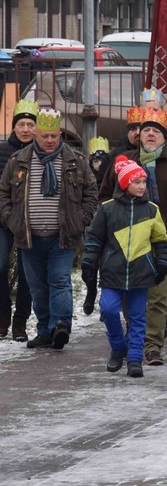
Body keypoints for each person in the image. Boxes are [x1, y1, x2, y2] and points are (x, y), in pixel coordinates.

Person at [97, 107, 167, 366]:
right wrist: (115, 225)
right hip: (127, 240)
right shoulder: (123, 162)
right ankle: (135, 338)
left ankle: (152, 346)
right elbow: (105, 195)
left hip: (163, 240)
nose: (151, 134)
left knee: (157, 296)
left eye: (156, 131)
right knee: (130, 294)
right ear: (139, 135)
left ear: (165, 137)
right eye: (146, 130)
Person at [0, 108, 97, 350]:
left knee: (59, 280)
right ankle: (45, 330)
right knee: (37, 286)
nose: (50, 140)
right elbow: (4, 193)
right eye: (45, 136)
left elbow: (90, 191)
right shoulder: (18, 161)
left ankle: (61, 325)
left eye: (54, 136)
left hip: (62, 235)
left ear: (60, 135)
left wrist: (80, 219)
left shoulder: (75, 161)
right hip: (28, 236)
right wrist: (12, 220)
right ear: (36, 135)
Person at [81, 156, 167, 378]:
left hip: (141, 273)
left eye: (144, 182)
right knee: (109, 310)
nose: (141, 186)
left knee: (137, 317)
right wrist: (89, 260)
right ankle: (118, 347)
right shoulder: (107, 209)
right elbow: (95, 238)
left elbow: (161, 240)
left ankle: (134, 359)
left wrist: (162, 261)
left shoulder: (151, 210)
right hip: (112, 272)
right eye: (136, 182)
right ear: (124, 183)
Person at [0, 99, 37, 341]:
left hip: (30, 223)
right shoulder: (2, 151)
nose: (25, 129)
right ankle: (2, 314)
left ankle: (20, 321)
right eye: (21, 124)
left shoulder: (41, 152)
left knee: (27, 274)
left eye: (30, 125)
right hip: (3, 220)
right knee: (0, 266)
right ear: (14, 127)